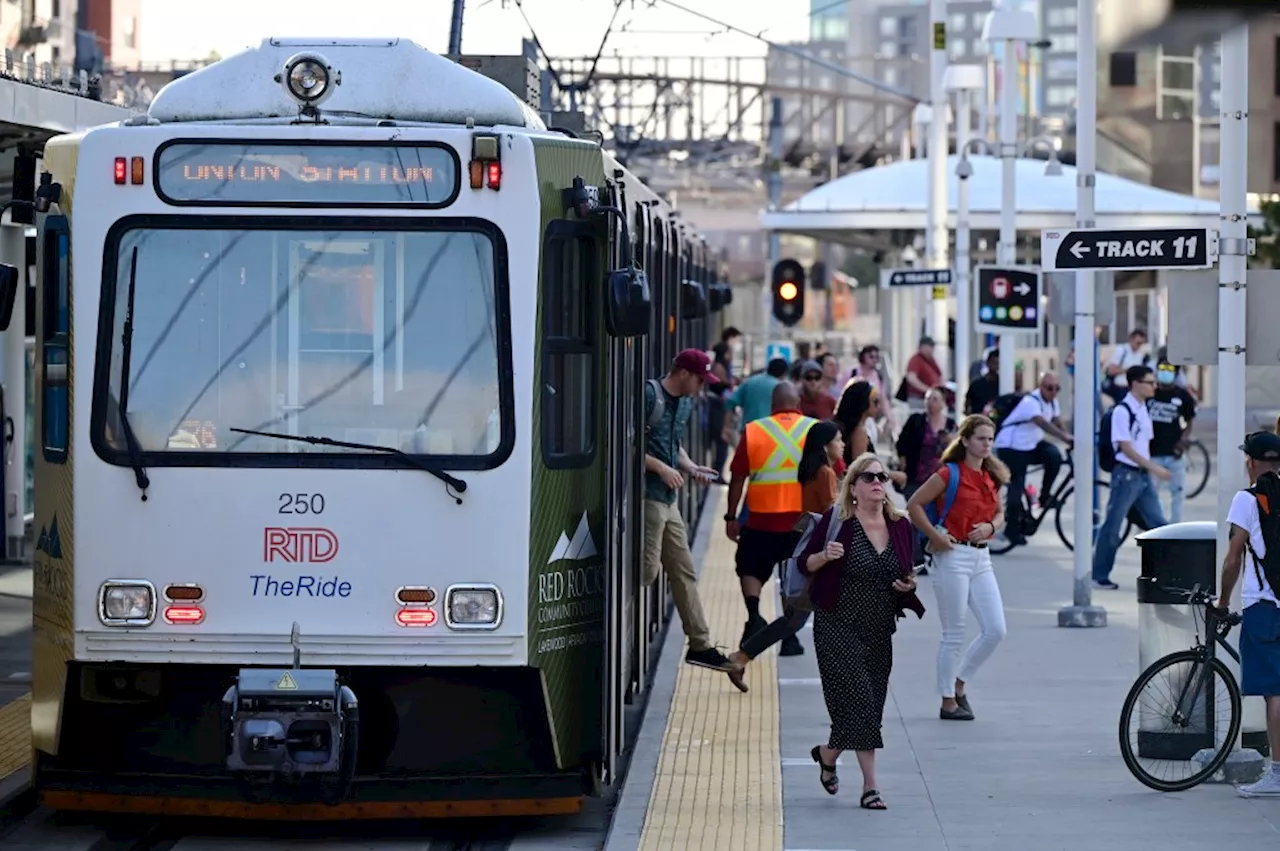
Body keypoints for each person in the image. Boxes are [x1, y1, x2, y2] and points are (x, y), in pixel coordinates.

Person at [801, 453, 923, 808]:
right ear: (852, 487)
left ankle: (827, 754)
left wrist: (907, 585)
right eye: (868, 477)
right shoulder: (837, 522)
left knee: (869, 706)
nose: (877, 483)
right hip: (837, 623)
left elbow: (907, 572)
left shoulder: (900, 525)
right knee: (861, 703)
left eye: (882, 477)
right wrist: (826, 555)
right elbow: (804, 563)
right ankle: (871, 787)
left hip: (878, 627)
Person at [725, 421, 845, 691]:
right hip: (821, 555)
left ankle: (740, 657)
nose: (843, 445)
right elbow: (832, 517)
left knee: (796, 618)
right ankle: (740, 657)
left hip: (807, 548)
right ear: (826, 446)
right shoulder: (825, 473)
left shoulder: (811, 471)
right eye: (838, 440)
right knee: (801, 617)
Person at [906, 415, 1009, 722]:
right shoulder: (948, 473)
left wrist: (991, 526)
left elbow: (1001, 513)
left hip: (981, 557)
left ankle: (960, 683)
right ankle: (947, 699)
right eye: (980, 438)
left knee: (996, 629)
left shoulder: (992, 475)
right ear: (965, 440)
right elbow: (913, 504)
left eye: (990, 439)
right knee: (954, 633)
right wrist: (936, 535)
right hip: (952, 556)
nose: (986, 444)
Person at [643, 350, 736, 673]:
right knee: (646, 572)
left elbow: (673, 444)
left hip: (668, 502)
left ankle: (701, 645)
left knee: (684, 572)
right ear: (682, 373)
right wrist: (660, 469)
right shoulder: (649, 395)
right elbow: (623, 442)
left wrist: (690, 466)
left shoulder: (684, 403)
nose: (701, 386)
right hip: (647, 498)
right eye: (699, 379)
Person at [724, 381, 816, 653]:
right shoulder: (814, 430)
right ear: (798, 402)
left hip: (760, 520)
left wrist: (731, 516)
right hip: (801, 523)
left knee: (749, 567)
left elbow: (737, 477)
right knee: (793, 580)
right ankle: (788, 637)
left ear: (772, 405)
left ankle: (754, 616)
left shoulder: (754, 430)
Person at [1215, 431, 1280, 797]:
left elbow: (1233, 558)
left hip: (1265, 607)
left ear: (1250, 463)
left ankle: (1278, 775)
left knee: (1275, 692)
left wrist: (1223, 602)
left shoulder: (1248, 499)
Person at [1092, 364, 1170, 590]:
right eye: (1150, 382)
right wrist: (1154, 468)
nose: (1155, 386)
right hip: (1126, 476)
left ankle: (1167, 574)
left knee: (1159, 526)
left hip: (1142, 477)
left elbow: (1144, 444)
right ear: (1136, 384)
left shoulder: (1143, 408)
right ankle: (1099, 575)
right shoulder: (1122, 411)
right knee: (1112, 526)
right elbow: (1125, 447)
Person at [993, 371, 1073, 547]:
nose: (1053, 392)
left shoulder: (1052, 402)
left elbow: (1057, 420)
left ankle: (1045, 496)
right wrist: (1064, 438)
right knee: (1017, 483)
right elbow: (1043, 423)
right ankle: (1011, 529)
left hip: (1030, 445)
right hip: (1011, 447)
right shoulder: (1031, 402)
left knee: (1054, 456)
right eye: (1049, 388)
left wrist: (1069, 435)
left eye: (1056, 388)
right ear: (1040, 386)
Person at [1147, 353, 1197, 524]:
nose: (1165, 373)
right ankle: (1155, 528)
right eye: (1162, 369)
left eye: (1169, 370)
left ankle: (1175, 530)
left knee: (1177, 494)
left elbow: (1189, 421)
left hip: (1174, 454)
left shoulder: (1182, 396)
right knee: (1152, 495)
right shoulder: (1149, 394)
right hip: (1151, 455)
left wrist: (1183, 440)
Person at [728, 357, 788, 427]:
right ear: (783, 374)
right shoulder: (781, 388)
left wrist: (726, 426)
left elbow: (730, 402)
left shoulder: (750, 381)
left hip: (748, 429)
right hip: (771, 430)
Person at [1102, 328, 1151, 405]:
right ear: (1132, 339)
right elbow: (1111, 370)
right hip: (1120, 387)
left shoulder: (1140, 354)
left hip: (1132, 388)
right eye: (1137, 343)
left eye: (1141, 343)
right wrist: (1128, 370)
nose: (1139, 346)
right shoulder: (1122, 351)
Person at [900, 335, 943, 411]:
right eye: (929, 347)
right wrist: (928, 390)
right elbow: (911, 378)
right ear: (922, 347)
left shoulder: (932, 360)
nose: (931, 349)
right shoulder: (916, 360)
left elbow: (940, 376)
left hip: (931, 399)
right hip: (918, 398)